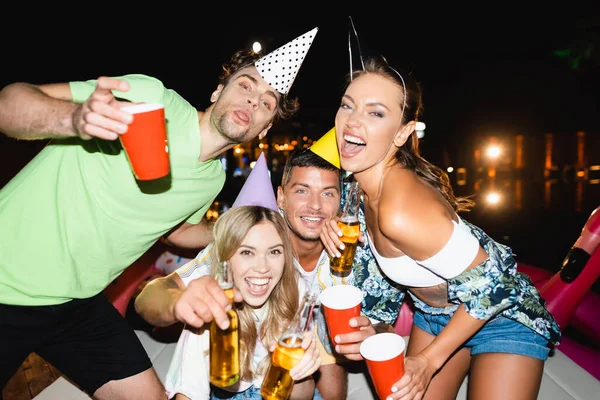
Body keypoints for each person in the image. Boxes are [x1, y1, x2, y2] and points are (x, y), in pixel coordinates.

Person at [0, 27, 318, 400]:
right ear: (218, 90)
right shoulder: (153, 100)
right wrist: (74, 119)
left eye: (266, 102)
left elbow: (176, 230)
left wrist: (235, 232)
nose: (252, 101)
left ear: (264, 128)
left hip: (76, 303)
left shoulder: (212, 181)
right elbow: (9, 104)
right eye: (245, 85)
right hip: (8, 281)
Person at [320, 56, 562, 400]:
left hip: (502, 314)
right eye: (347, 105)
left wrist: (427, 362)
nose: (352, 121)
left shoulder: (399, 209)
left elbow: (496, 282)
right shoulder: (355, 192)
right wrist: (372, 327)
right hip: (434, 316)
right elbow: (384, 285)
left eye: (375, 113)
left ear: (402, 132)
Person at [134, 148, 404, 399]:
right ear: (281, 197)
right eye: (302, 190)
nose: (315, 206)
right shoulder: (247, 239)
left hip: (300, 348)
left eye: (328, 193)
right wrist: (177, 303)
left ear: (339, 200)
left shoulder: (352, 252)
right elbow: (151, 296)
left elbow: (382, 322)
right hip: (236, 364)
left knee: (331, 386)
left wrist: (372, 333)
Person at [164, 205, 321, 400]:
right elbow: (188, 394)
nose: (262, 267)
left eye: (274, 252)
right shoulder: (211, 309)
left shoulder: (297, 292)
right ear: (226, 259)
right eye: (247, 252)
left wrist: (301, 372)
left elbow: (303, 396)